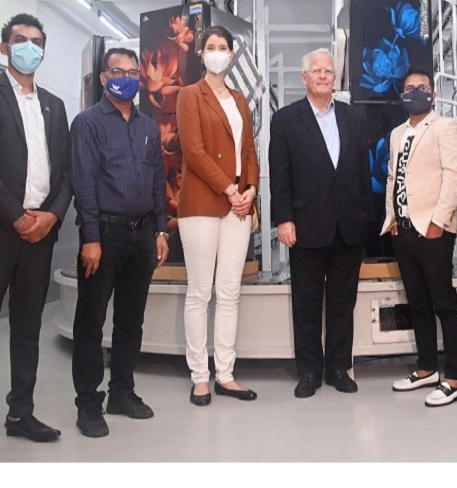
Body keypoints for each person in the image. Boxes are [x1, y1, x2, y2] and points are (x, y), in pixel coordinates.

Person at [0, 14, 72, 461]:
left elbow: (64, 172)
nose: (29, 47)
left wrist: (51, 216)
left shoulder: (55, 105)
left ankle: (20, 413)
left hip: (41, 233)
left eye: (37, 42)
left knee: (27, 329)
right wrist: (15, 216)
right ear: (5, 47)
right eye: (21, 40)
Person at [69, 47, 169, 437]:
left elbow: (158, 181)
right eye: (117, 70)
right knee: (91, 323)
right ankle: (88, 404)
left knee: (131, 321)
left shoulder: (148, 126)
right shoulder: (88, 123)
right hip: (104, 235)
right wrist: (90, 237)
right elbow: (84, 183)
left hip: (142, 235)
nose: (124, 77)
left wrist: (161, 230)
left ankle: (122, 393)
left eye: (131, 71)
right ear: (103, 77)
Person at [269, 48, 373, 399]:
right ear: (304, 78)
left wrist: (365, 218)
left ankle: (339, 368)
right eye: (316, 70)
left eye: (328, 70)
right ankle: (310, 371)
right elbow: (279, 176)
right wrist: (283, 219)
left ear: (334, 77)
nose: (324, 75)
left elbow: (361, 173)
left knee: (343, 302)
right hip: (305, 227)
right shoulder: (285, 120)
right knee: (307, 304)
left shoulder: (355, 119)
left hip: (348, 227)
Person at [177, 26, 259, 405]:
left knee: (229, 292)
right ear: (201, 54)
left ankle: (225, 373)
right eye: (209, 47)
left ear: (232, 54)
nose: (216, 52)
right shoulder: (189, 96)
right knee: (200, 292)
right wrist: (230, 190)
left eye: (222, 47)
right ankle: (199, 376)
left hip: (240, 204)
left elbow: (250, 152)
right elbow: (193, 151)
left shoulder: (240, 100)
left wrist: (251, 191)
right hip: (203, 202)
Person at [382, 68, 457, 406]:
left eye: (423, 87)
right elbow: (393, 177)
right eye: (409, 88)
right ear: (401, 94)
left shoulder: (446, 126)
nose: (416, 92)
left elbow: (455, 177)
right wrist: (391, 216)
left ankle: (456, 377)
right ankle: (427, 368)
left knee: (443, 301)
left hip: (433, 228)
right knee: (417, 302)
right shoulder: (396, 133)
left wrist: (439, 220)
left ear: (432, 93)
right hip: (402, 229)